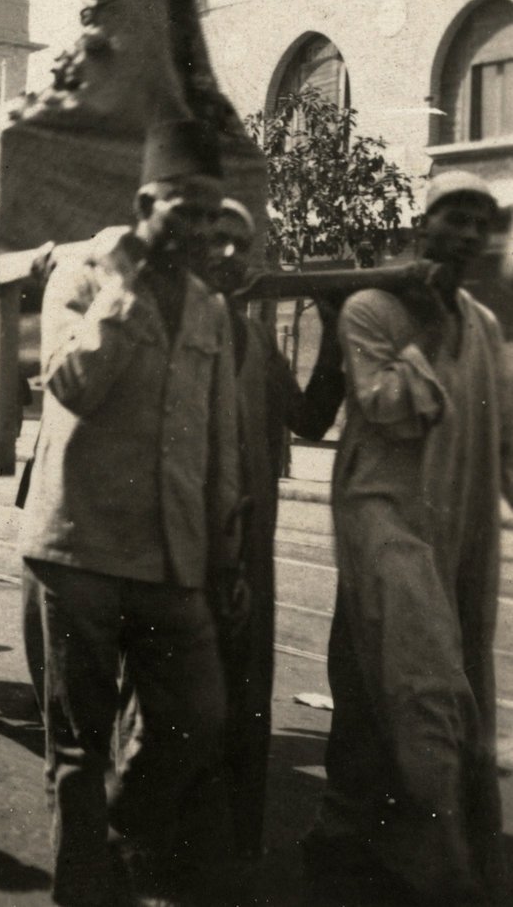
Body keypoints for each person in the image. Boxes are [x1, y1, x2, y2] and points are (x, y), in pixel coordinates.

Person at [20, 123, 245, 907]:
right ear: (145, 203)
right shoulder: (79, 279)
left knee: (196, 716)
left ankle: (115, 831)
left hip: (169, 555)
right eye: (183, 210)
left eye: (213, 215)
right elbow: (71, 384)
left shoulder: (212, 308)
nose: (201, 229)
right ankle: (81, 890)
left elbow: (217, 440)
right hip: (79, 546)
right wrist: (120, 290)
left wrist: (224, 550)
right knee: (78, 745)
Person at [305, 171, 513, 905]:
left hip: (456, 526)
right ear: (419, 227)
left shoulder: (485, 327)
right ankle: (441, 867)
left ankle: (348, 828)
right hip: (382, 517)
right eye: (452, 217)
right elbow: (389, 407)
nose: (466, 233)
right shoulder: (370, 308)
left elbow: (506, 437)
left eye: (479, 221)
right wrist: (421, 323)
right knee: (428, 686)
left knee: (370, 678)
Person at [197, 198, 344, 864]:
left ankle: (229, 857)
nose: (228, 254)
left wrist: (334, 325)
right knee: (172, 703)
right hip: (180, 550)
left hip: (250, 550)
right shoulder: (167, 328)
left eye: (240, 243)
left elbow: (311, 419)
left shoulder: (257, 343)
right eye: (215, 240)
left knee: (245, 696)